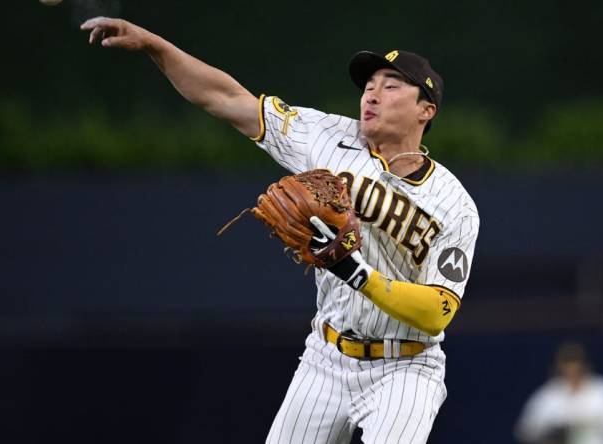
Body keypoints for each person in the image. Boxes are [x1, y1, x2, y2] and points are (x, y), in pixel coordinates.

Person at [80, 17, 479, 443]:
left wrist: (357, 273)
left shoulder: (453, 203)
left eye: (392, 85)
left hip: (407, 369)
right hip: (327, 356)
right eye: (369, 85)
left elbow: (440, 309)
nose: (373, 93)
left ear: (426, 109)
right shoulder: (326, 137)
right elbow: (226, 98)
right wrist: (153, 44)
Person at [514, 342, 603, 444]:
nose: (572, 373)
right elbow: (525, 430)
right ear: (559, 367)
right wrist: (552, 432)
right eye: (567, 367)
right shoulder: (548, 395)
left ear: (585, 365)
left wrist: (582, 426)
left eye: (576, 366)